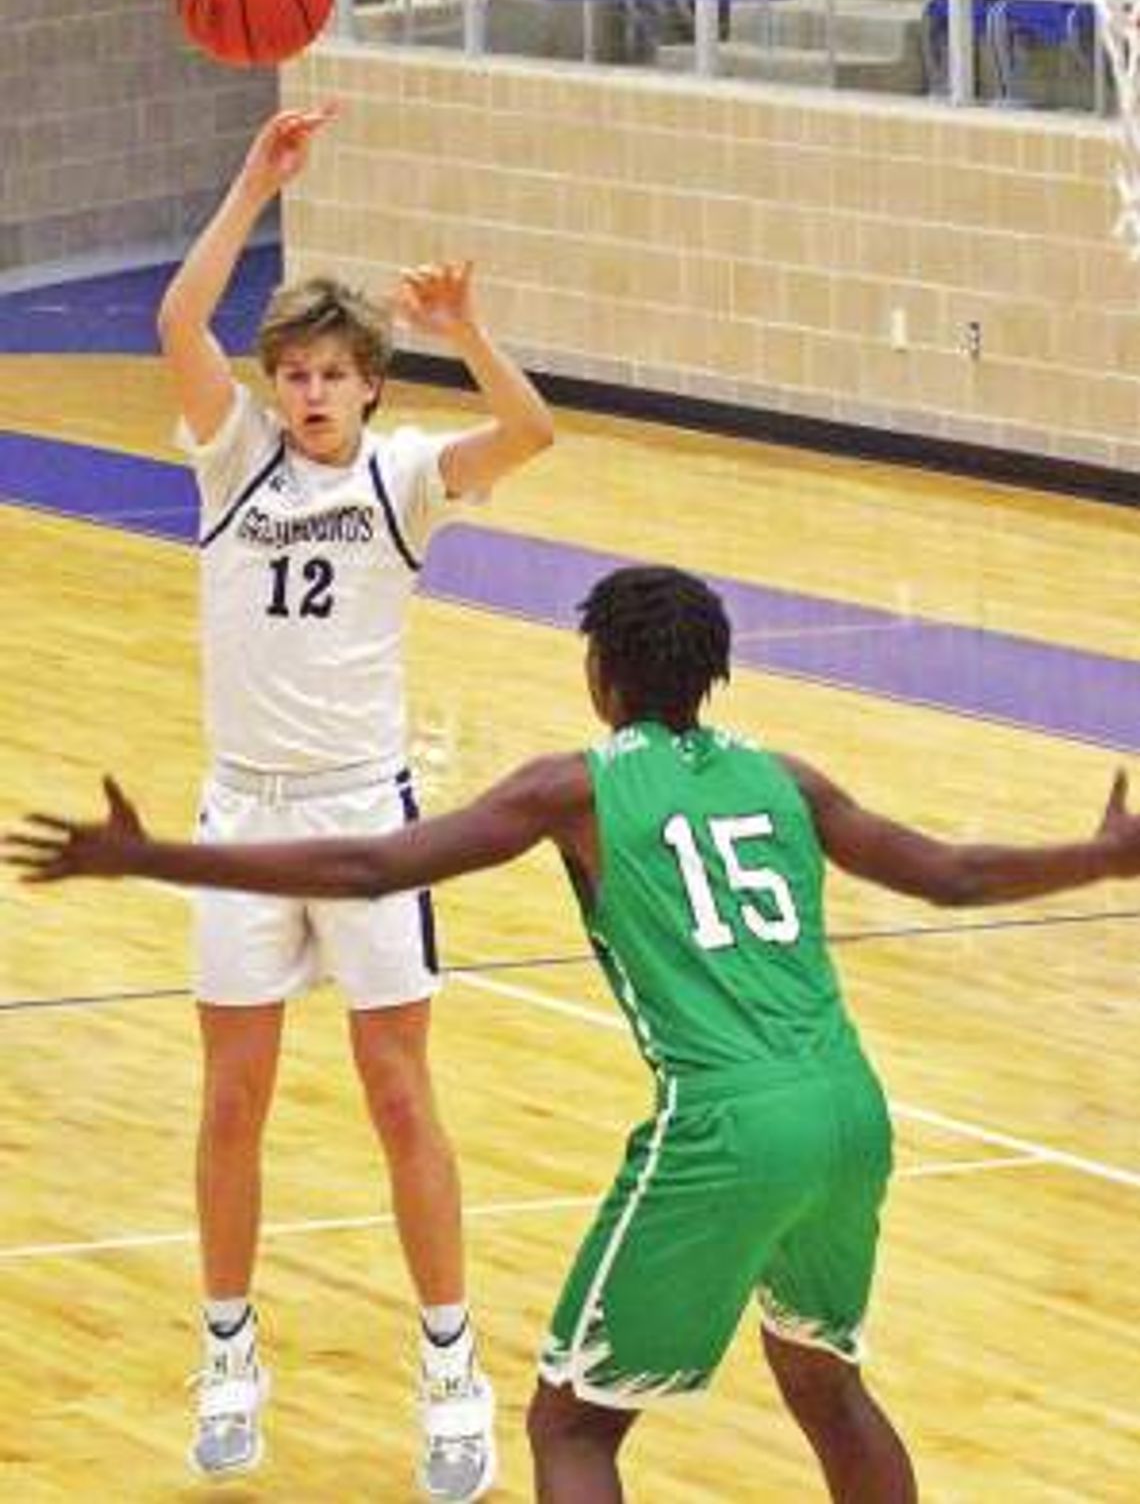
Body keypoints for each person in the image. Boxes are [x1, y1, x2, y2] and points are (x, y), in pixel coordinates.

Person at [9, 563, 1140, 1503]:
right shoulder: (786, 778)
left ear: (600, 674)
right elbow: (953, 873)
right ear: (714, 674)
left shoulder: (579, 787)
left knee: (572, 1427)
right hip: (853, 1109)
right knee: (823, 1384)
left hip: (727, 1124)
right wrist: (1100, 855)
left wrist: (156, 856)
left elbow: (368, 865)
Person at [137, 103, 552, 1496]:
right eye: (295, 373)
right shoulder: (232, 454)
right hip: (243, 821)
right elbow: (176, 318)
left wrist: (472, 330)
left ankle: (450, 1368)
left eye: (334, 374)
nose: (311, 394)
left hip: (369, 820)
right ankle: (229, 1352)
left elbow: (532, 433)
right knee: (233, 1099)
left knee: (396, 1093)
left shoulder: (405, 476)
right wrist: (257, 174)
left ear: (373, 386)